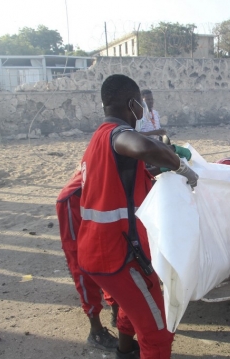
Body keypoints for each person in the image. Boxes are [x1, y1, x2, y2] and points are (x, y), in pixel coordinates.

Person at [77, 74, 198, 359]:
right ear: (133, 104)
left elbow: (129, 179)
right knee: (158, 330)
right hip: (118, 255)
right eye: (141, 104)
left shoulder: (98, 138)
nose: (143, 111)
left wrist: (161, 171)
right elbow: (143, 147)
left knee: (133, 306)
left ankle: (125, 350)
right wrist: (180, 166)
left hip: (100, 251)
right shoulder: (116, 134)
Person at [56, 170, 119, 352]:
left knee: (109, 254)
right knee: (82, 265)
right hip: (76, 202)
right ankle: (96, 330)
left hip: (100, 200)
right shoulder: (122, 143)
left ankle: (115, 307)